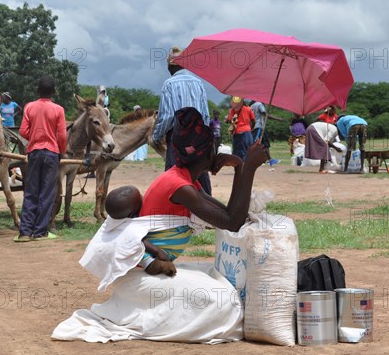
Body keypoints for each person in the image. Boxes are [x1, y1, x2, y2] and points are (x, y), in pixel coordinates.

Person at [52, 107, 267, 343]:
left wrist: (239, 167)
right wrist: (250, 168)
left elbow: (229, 215)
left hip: (144, 276)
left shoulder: (184, 180)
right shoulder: (180, 187)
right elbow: (233, 222)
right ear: (208, 154)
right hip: (140, 279)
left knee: (220, 280)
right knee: (225, 301)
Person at [152, 46, 212, 195]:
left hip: (178, 138)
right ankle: (208, 211)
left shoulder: (169, 84)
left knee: (175, 178)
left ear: (170, 66)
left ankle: (176, 212)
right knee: (200, 174)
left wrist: (156, 136)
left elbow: (166, 117)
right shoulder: (198, 83)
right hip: (199, 137)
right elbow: (205, 115)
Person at [15, 75, 67, 241]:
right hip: (52, 153)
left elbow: (22, 131)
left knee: (31, 191)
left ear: (38, 91)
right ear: (54, 92)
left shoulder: (29, 107)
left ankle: (24, 232)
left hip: (34, 152)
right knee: (46, 193)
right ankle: (40, 232)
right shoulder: (58, 110)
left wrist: (36, 135)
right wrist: (61, 151)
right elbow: (62, 135)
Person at [250, 100, 280, 166]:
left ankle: (270, 160)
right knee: (257, 143)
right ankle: (253, 159)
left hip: (257, 127)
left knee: (264, 144)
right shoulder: (259, 104)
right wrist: (278, 119)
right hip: (258, 127)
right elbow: (265, 114)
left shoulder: (251, 106)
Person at [226, 96, 254, 161]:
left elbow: (230, 120)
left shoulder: (233, 110)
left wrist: (227, 120)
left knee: (239, 152)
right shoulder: (248, 109)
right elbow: (253, 121)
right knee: (247, 151)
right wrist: (250, 129)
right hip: (248, 132)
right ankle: (246, 168)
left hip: (238, 133)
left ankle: (240, 168)